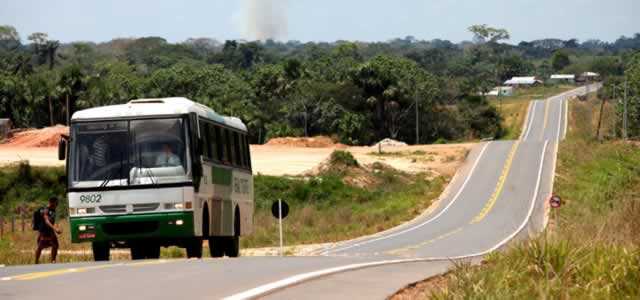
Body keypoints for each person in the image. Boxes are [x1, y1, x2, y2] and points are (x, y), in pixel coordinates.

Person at [35, 197, 62, 264]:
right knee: (40, 246)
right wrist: (55, 229)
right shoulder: (46, 210)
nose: (57, 204)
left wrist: (56, 227)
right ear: (51, 202)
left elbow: (52, 220)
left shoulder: (53, 210)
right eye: (56, 203)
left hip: (50, 230)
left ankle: (53, 260)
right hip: (44, 231)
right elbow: (47, 221)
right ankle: (36, 261)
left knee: (55, 245)